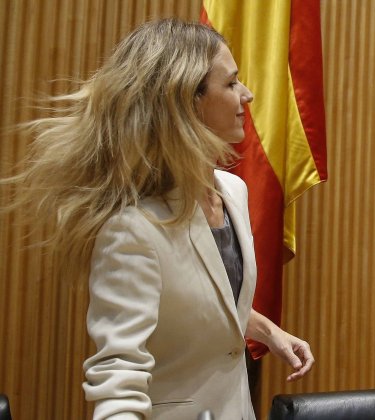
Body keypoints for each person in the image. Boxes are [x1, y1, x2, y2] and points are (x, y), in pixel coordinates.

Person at [3, 18, 314, 420]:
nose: (247, 94)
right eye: (232, 83)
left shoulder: (232, 191)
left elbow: (205, 296)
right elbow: (119, 372)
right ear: (188, 102)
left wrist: (268, 331)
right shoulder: (132, 228)